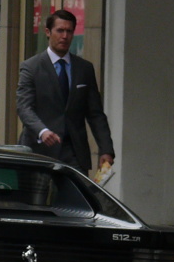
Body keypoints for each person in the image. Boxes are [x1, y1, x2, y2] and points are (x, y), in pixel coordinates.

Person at [16, 9, 115, 173]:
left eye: (69, 31)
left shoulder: (84, 69)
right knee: (40, 199)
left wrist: (106, 149)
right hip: (39, 151)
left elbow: (95, 113)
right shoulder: (31, 67)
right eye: (60, 30)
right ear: (48, 32)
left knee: (75, 198)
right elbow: (24, 107)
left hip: (74, 152)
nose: (64, 36)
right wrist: (43, 131)